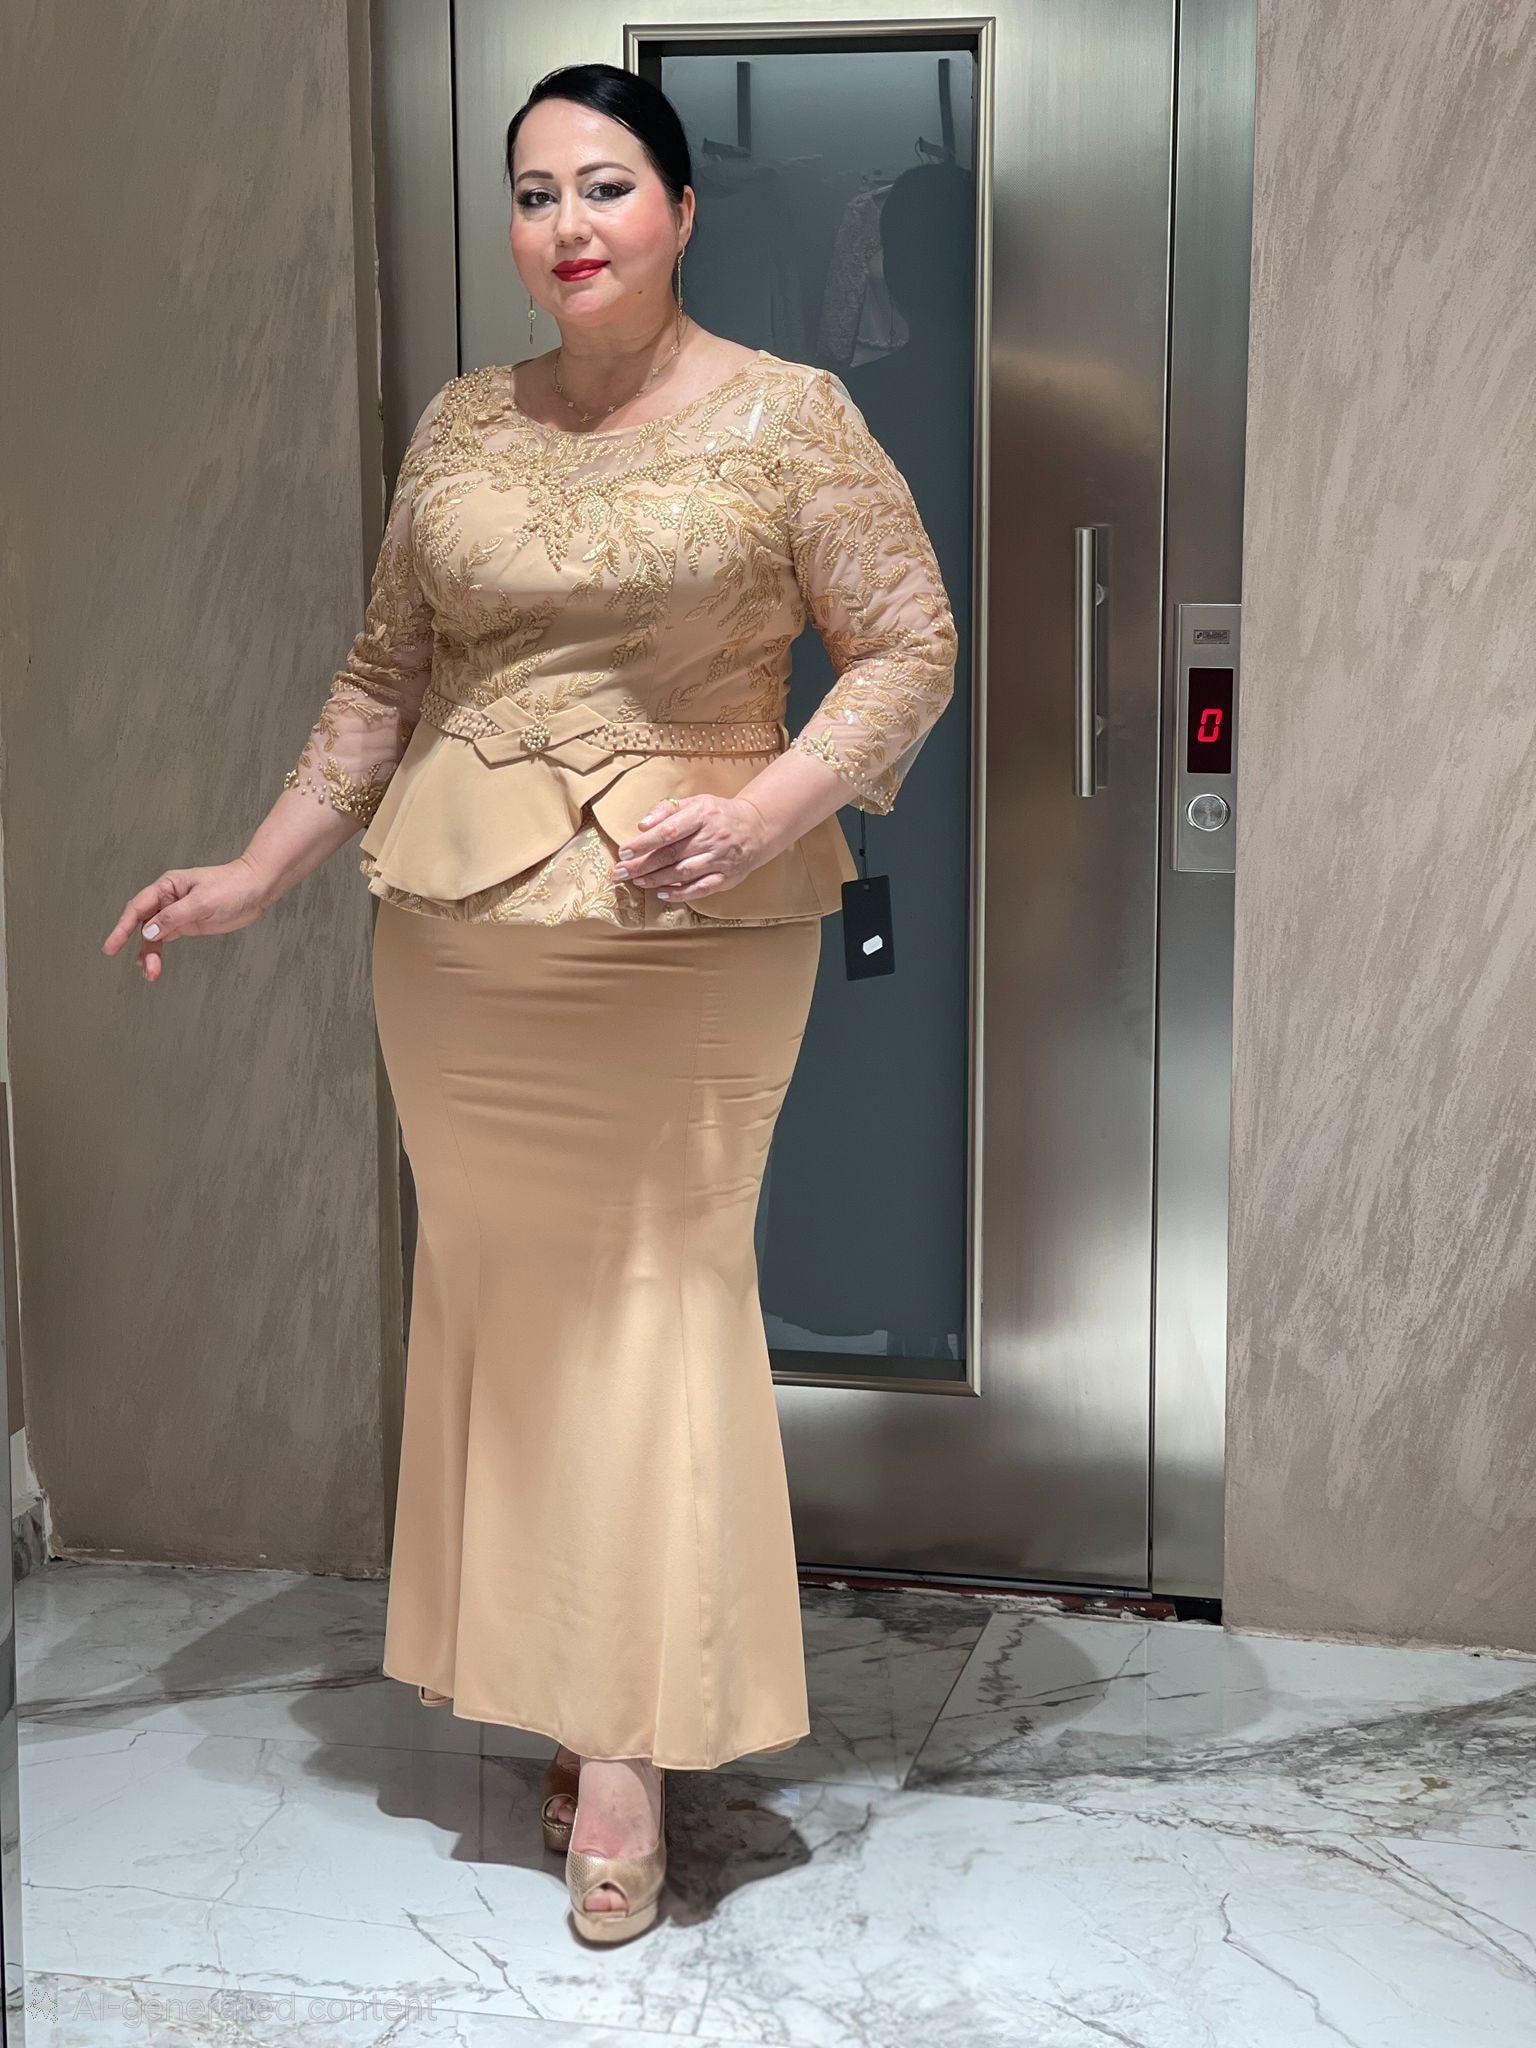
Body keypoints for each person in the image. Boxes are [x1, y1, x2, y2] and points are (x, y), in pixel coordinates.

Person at [102, 61, 957, 1945]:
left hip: (688, 930)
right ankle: (579, 1697)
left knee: (657, 1305)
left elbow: (909, 646)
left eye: (607, 185)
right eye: (536, 192)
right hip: (461, 942)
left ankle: (630, 1753)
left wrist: (766, 812)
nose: (569, 224)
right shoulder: (463, 425)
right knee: (514, 1317)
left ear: (683, 209)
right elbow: (383, 679)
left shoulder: (791, 417)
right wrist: (255, 871)